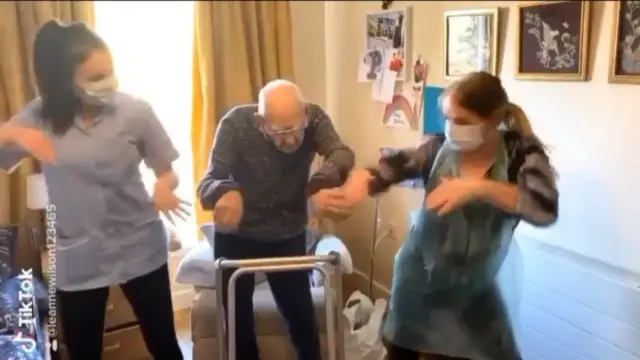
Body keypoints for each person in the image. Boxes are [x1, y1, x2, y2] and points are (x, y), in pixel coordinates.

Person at [0, 20, 187, 360]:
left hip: (140, 247)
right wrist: (12, 134)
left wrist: (164, 186)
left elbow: (167, 171)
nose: (108, 83)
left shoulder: (135, 112)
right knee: (84, 352)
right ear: (64, 80)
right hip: (79, 259)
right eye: (95, 77)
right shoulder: (40, 116)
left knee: (165, 346)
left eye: (110, 72)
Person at [342, 71, 559, 360]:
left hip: (477, 294)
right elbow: (396, 166)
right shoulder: (436, 148)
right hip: (419, 287)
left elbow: (543, 208)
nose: (452, 128)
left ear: (493, 121)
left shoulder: (520, 153)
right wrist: (367, 180)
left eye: (463, 121)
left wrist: (478, 188)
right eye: (449, 118)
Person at [197, 79, 355, 360]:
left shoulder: (314, 117)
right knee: (237, 323)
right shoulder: (235, 124)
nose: (292, 140)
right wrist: (226, 190)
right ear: (260, 122)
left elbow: (341, 153)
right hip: (237, 238)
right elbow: (208, 182)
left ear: (305, 113)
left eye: (296, 129)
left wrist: (320, 184)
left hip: (287, 235)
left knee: (301, 317)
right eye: (281, 132)